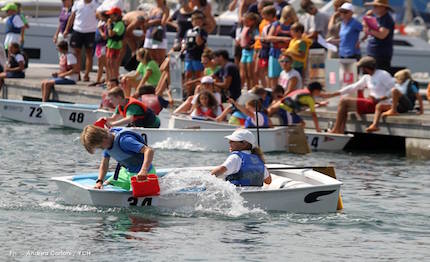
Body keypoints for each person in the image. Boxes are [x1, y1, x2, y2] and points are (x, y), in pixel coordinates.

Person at [323, 56, 394, 134]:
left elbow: (394, 89)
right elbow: (352, 87)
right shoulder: (366, 77)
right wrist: (332, 94)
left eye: (362, 68)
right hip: (371, 103)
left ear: (366, 68)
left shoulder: (383, 74)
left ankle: (336, 130)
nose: (361, 70)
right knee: (343, 103)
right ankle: (340, 130)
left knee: (344, 101)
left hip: (382, 104)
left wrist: (379, 98)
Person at [80, 125, 156, 191]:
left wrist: (144, 170)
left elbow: (149, 150)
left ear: (104, 139)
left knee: (137, 194)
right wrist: (99, 181)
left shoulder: (124, 141)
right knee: (106, 185)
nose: (102, 149)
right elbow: (104, 164)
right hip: (125, 172)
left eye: (100, 146)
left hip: (143, 174)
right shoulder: (107, 144)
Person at [64, 0, 99, 82]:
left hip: (91, 31)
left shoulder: (96, 4)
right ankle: (77, 73)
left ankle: (86, 74)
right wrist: (66, 29)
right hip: (77, 30)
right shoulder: (77, 3)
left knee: (89, 54)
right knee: (76, 54)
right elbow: (72, 17)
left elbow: (99, 17)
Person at [266, 5, 297, 89]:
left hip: (288, 54)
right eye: (287, 16)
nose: (288, 18)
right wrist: (282, 38)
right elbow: (268, 38)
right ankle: (275, 95)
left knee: (287, 76)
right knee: (274, 77)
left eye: (290, 16)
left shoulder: (294, 26)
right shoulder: (276, 24)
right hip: (275, 53)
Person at [363, 0, 394, 71]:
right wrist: (367, 18)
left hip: (381, 55)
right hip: (373, 53)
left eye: (376, 6)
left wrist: (369, 30)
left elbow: (382, 35)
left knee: (379, 77)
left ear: (383, 7)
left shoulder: (387, 19)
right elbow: (366, 30)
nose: (373, 8)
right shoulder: (377, 18)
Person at [183, 11, 208, 96]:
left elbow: (199, 43)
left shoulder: (203, 32)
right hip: (189, 55)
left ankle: (197, 94)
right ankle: (188, 93)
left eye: (199, 21)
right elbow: (185, 42)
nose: (197, 23)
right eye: (195, 21)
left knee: (198, 75)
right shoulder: (188, 31)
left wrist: (198, 32)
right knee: (187, 74)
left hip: (197, 56)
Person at [144, 0, 170, 65]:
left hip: (158, 36)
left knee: (160, 59)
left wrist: (151, 22)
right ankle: (153, 74)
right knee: (149, 58)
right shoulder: (152, 9)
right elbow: (147, 21)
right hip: (149, 35)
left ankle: (161, 74)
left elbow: (163, 22)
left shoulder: (165, 9)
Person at [239, 12, 259, 90]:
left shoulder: (254, 30)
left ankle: (251, 88)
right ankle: (247, 88)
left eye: (247, 21)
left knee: (250, 73)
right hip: (244, 51)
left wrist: (252, 46)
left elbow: (257, 40)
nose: (245, 23)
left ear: (252, 21)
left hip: (251, 52)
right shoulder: (244, 28)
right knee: (244, 73)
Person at [106, 7, 125, 81]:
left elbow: (111, 34)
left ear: (117, 15)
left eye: (112, 15)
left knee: (113, 64)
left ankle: (114, 80)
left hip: (115, 46)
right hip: (110, 45)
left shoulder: (120, 24)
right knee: (108, 63)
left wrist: (109, 25)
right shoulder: (115, 23)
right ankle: (109, 80)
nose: (110, 17)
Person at [90, 11, 109, 87]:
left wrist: (100, 29)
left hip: (104, 45)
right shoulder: (100, 22)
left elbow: (105, 36)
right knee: (99, 63)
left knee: (105, 64)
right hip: (98, 45)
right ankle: (98, 79)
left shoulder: (106, 24)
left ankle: (107, 79)